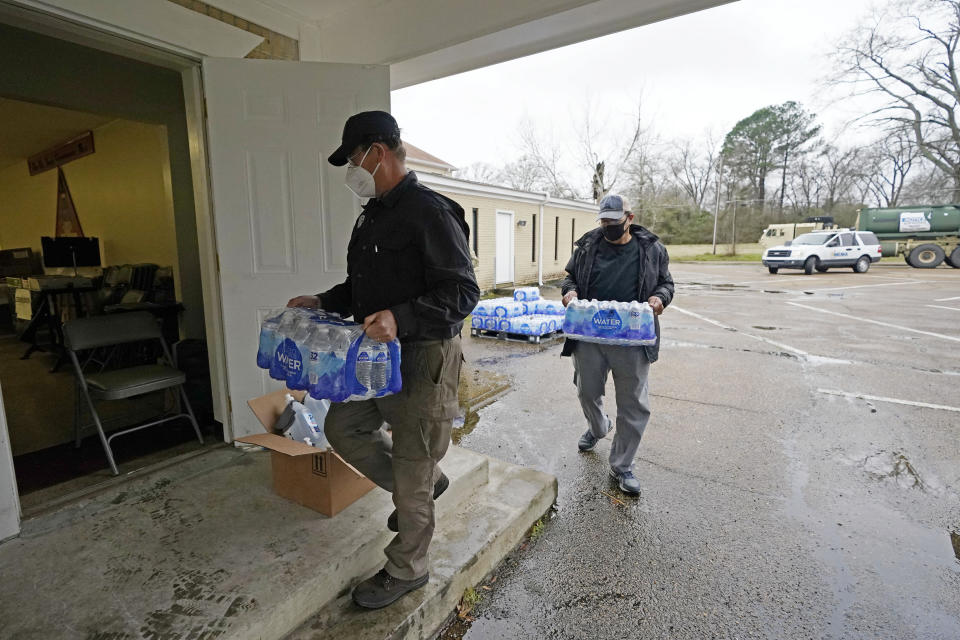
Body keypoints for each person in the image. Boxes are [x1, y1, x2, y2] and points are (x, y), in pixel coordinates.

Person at [287, 111, 479, 609]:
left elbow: (462, 292)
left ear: (378, 151)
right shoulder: (371, 215)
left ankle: (407, 568)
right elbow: (360, 288)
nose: (352, 168)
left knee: (413, 467)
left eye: (353, 157)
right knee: (343, 428)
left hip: (422, 358)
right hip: (373, 356)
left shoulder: (430, 211)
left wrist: (401, 316)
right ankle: (422, 487)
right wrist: (324, 299)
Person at [559, 194, 674, 495]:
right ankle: (599, 428)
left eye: (614, 220)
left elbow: (666, 283)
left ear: (629, 218)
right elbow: (570, 278)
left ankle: (622, 466)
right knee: (586, 391)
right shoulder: (587, 246)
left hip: (633, 339)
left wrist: (659, 298)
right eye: (604, 221)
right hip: (590, 335)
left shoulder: (651, 249)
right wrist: (569, 293)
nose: (609, 226)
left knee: (633, 404)